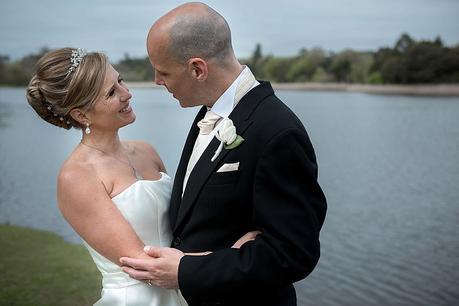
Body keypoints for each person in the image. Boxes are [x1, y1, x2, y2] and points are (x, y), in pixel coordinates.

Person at [120, 2, 327, 306]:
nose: (157, 82)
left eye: (163, 72)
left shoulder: (277, 131)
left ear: (197, 69)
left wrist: (187, 270)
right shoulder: (210, 110)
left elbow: (294, 253)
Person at [26, 47, 257, 306]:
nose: (127, 94)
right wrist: (233, 254)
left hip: (187, 289)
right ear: (82, 114)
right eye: (111, 93)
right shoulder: (77, 176)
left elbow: (185, 223)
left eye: (120, 81)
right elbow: (144, 266)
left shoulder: (146, 151)